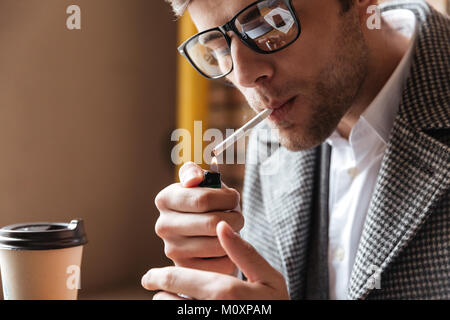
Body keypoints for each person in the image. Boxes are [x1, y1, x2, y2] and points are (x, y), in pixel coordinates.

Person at [141, 0, 449, 299]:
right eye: (218, 46)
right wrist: (224, 278)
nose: (244, 77)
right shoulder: (271, 137)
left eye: (270, 22)